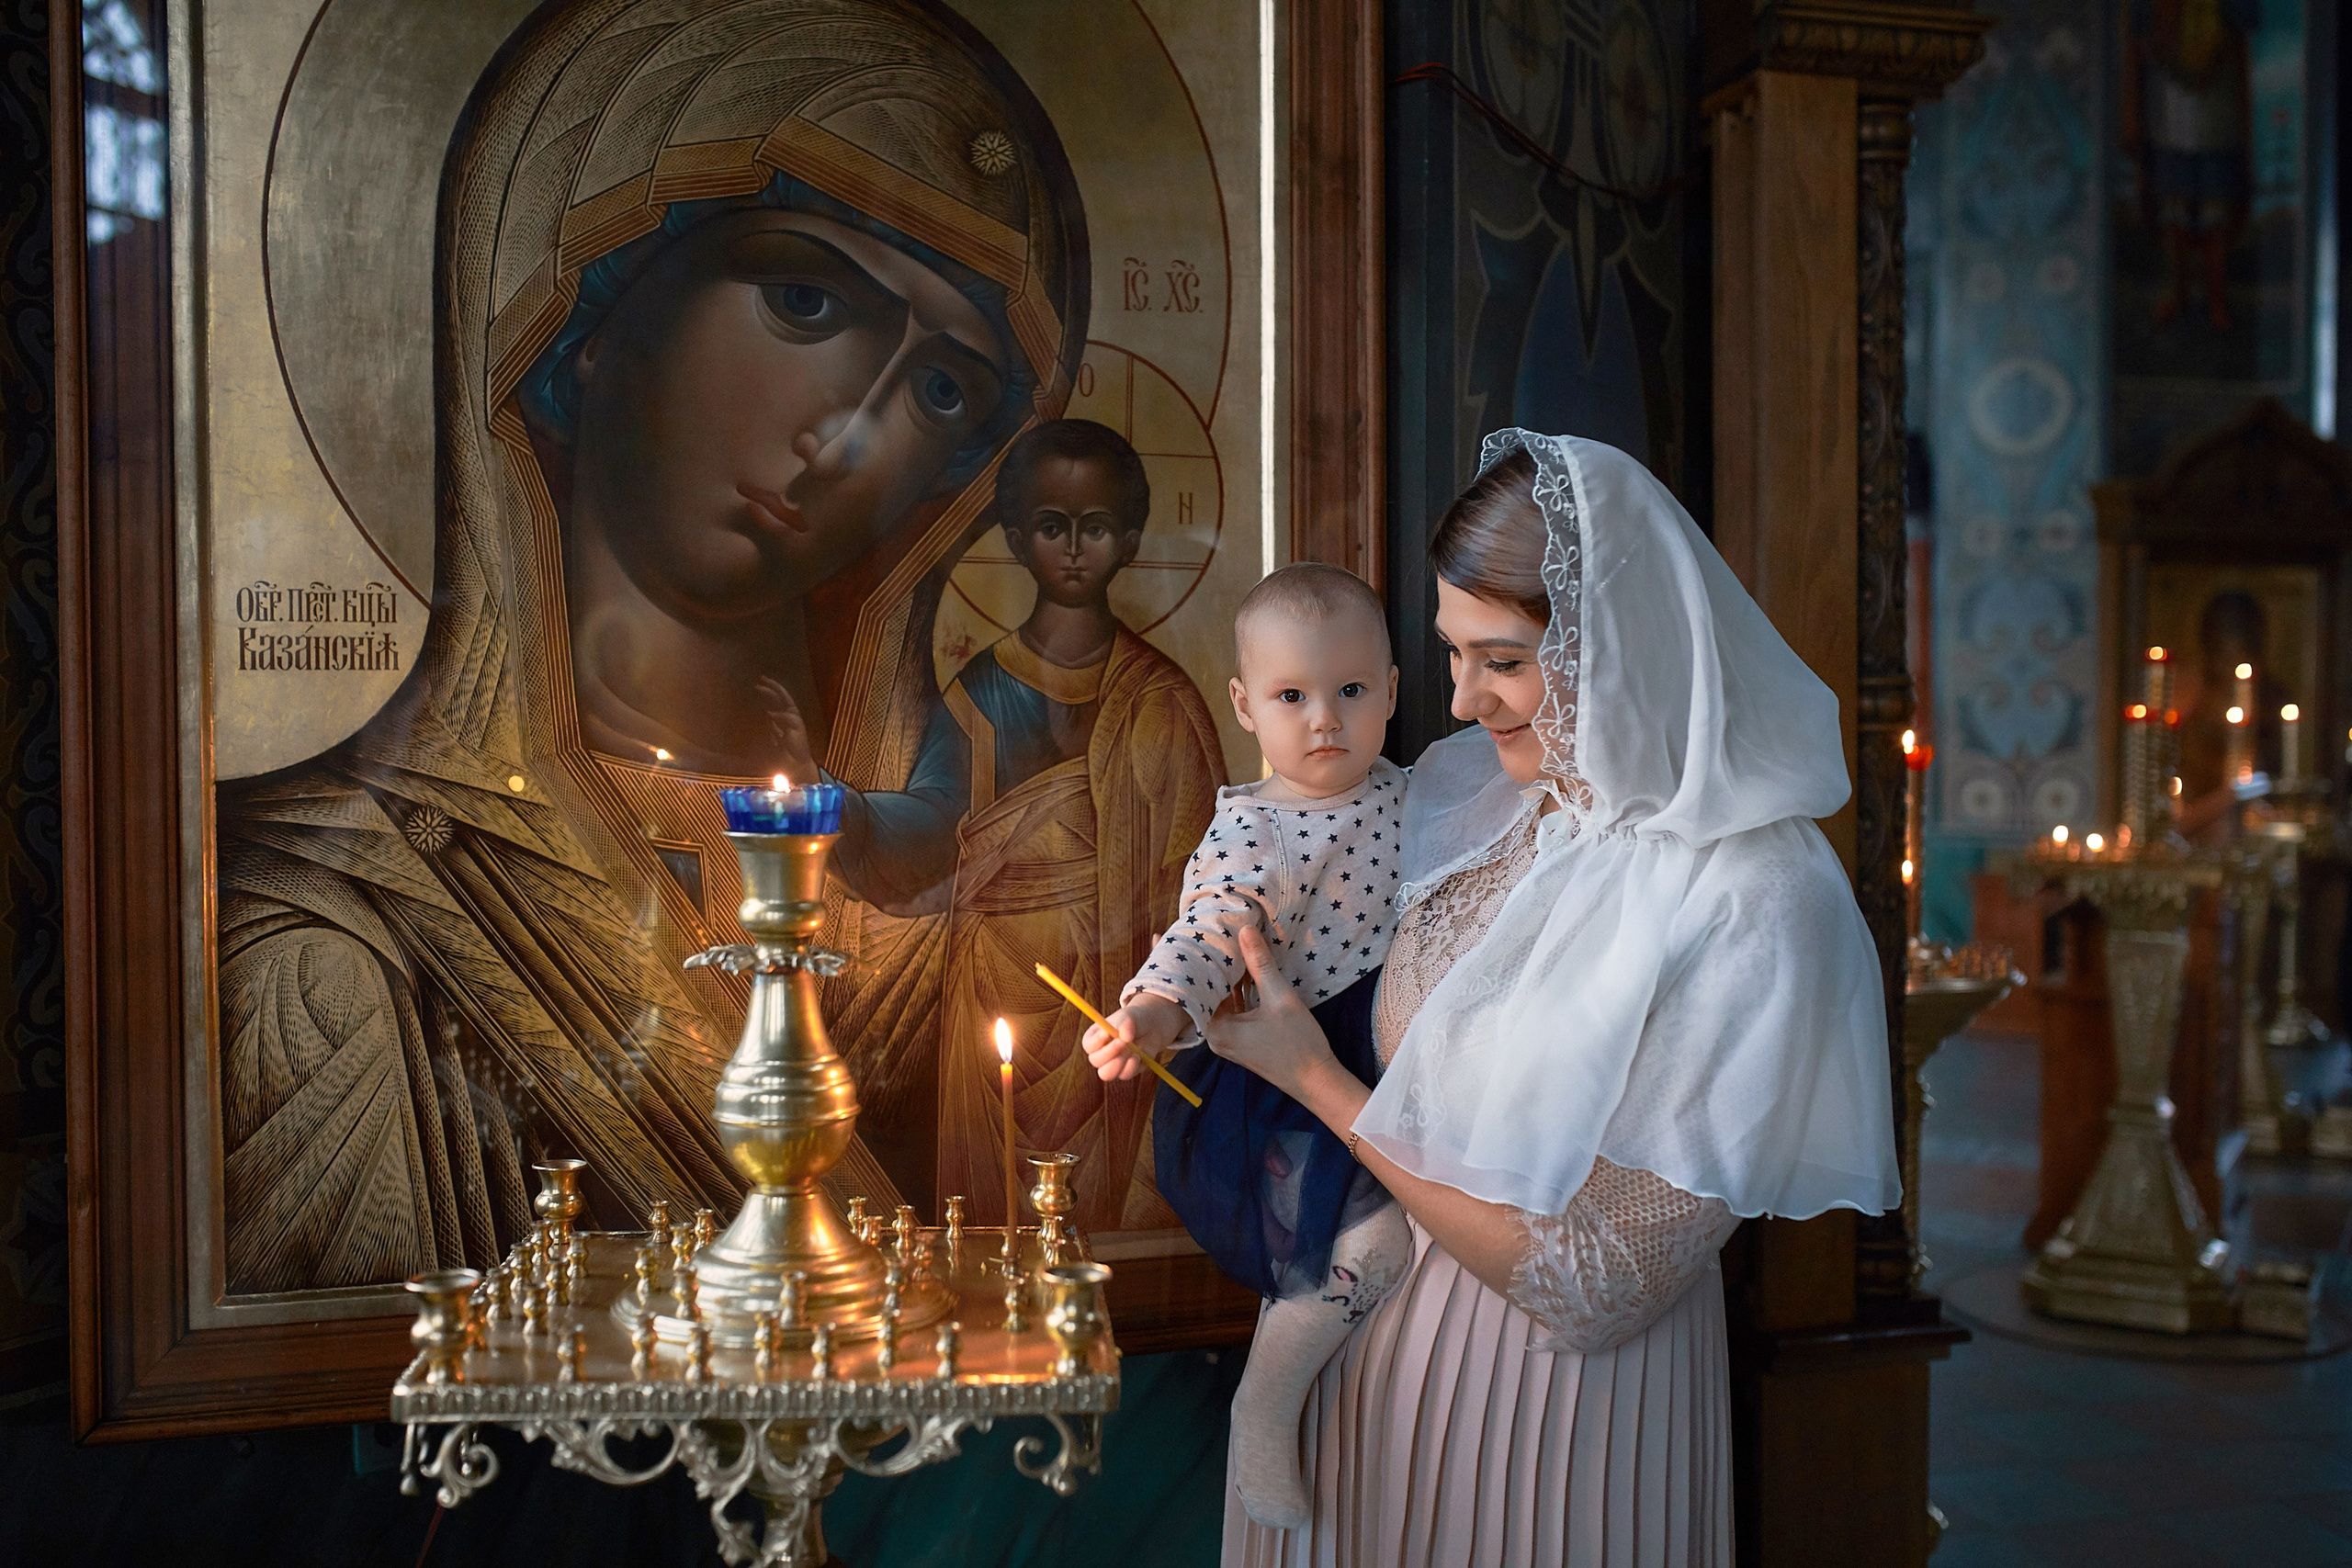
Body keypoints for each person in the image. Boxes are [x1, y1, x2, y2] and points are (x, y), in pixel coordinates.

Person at [212, 0, 1088, 1292]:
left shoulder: (963, 912)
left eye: (940, 388)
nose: (851, 435)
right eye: (804, 298)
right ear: (584, 306)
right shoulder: (336, 945)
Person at [1205, 431, 1900, 1564]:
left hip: (1561, 1416)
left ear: (1617, 642)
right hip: (1355, 1385)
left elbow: (1597, 1288)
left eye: (1507, 660)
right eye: (1452, 655)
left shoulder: (1758, 900)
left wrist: (1314, 1081)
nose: (1466, 699)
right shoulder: (1466, 797)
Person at [767, 418, 1226, 1227]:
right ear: (1018, 540)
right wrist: (828, 798)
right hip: (992, 1002)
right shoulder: (979, 693)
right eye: (1053, 527)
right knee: (991, 1232)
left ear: (1128, 539)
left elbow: (1201, 878)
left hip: (1117, 993)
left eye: (1096, 529)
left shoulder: (1163, 702)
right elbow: (934, 828)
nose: (1074, 549)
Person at [1082, 561, 1409, 1529]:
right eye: (1291, 696)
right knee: (1371, 1242)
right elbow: (1209, 931)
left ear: (1392, 688)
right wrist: (1150, 1011)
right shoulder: (1255, 834)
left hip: (1380, 1055)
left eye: (1352, 690)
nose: (1325, 720)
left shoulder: (1413, 790)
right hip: (1289, 1077)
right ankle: (1264, 1401)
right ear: (1243, 704)